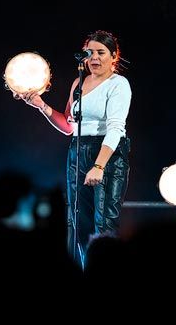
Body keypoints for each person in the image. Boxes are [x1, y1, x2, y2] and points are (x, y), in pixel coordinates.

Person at [19, 30, 132, 265]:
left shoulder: (118, 84)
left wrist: (99, 165)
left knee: (104, 224)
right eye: (90, 53)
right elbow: (69, 126)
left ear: (113, 57)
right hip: (78, 152)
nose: (95, 58)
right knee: (80, 223)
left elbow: (115, 128)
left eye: (101, 53)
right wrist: (42, 106)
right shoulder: (78, 83)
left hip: (107, 154)